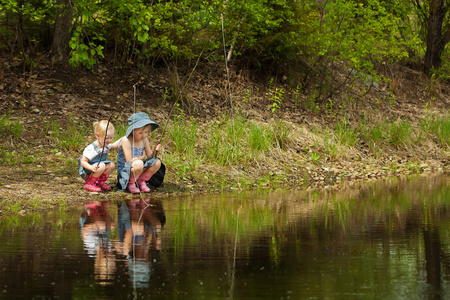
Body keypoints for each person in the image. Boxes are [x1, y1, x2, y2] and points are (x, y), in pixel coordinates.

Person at [116, 112, 162, 193]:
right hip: (126, 171)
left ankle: (141, 181)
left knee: (157, 162)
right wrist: (142, 157)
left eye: (146, 132)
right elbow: (129, 161)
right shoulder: (126, 141)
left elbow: (151, 157)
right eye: (140, 133)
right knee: (139, 163)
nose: (144, 135)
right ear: (132, 131)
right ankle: (130, 183)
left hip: (138, 168)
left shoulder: (144, 140)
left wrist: (155, 150)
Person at [78, 120, 119, 192]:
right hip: (89, 170)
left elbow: (114, 145)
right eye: (106, 138)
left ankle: (100, 182)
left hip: (99, 167)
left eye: (111, 138)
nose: (109, 140)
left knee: (111, 165)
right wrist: (91, 168)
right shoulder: (92, 148)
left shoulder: (105, 145)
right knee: (102, 165)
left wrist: (125, 138)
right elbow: (83, 162)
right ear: (97, 136)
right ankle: (89, 183)